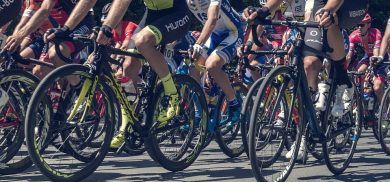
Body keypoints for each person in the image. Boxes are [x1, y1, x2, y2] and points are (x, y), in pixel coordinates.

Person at [243, 0, 368, 160]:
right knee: (309, 63)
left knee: (329, 16)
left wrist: (329, 10)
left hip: (352, 5)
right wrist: (263, 11)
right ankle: (304, 132)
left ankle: (343, 81)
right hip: (318, 5)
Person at [96, 0, 191, 148]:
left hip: (176, 13)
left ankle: (172, 94)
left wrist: (107, 28)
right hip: (152, 14)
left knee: (143, 41)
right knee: (128, 69)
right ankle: (125, 127)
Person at [186, 0, 244, 129]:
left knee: (212, 65)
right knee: (193, 69)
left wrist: (198, 44)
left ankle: (234, 104)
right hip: (214, 35)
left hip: (232, 33)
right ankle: (200, 111)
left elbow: (212, 20)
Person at [3, 0, 96, 80]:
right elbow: (22, 24)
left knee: (57, 53)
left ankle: (81, 90)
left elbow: (45, 10)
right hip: (61, 29)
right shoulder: (29, 2)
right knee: (38, 72)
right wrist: (13, 43)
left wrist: (19, 37)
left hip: (84, 23)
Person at [347, 14, 384, 101]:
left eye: (362, 25)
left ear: (369, 25)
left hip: (380, 57)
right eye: (358, 25)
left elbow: (376, 52)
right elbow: (349, 54)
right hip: (368, 56)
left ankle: (385, 110)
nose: (359, 27)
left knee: (377, 87)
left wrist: (372, 66)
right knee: (358, 72)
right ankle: (362, 100)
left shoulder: (375, 32)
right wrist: (344, 67)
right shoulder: (353, 35)